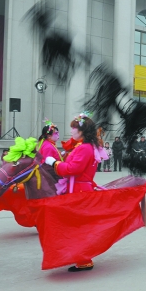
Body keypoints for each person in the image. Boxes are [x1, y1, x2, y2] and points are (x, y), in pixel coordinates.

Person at [44, 112, 101, 272]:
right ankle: (80, 257)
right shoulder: (85, 146)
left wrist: (55, 163)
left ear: (82, 131)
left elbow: (73, 169)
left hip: (79, 191)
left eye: (74, 129)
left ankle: (84, 260)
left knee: (78, 226)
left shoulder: (84, 148)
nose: (71, 132)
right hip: (79, 188)